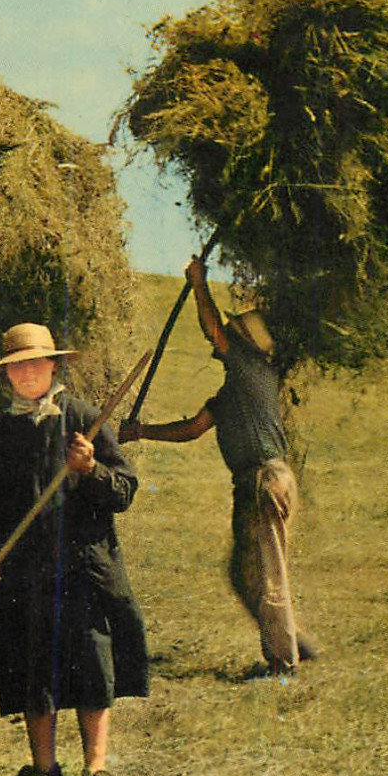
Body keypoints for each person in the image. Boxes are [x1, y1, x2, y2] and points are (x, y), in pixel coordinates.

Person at [0, 323, 147, 776]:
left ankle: (96, 767)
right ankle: (43, 768)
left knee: (91, 663)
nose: (26, 373)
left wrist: (90, 469)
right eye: (16, 366)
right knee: (31, 670)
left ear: (53, 365)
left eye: (34, 363)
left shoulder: (84, 419)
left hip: (84, 567)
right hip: (22, 574)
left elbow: (124, 490)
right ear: (6, 375)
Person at [118, 258, 319, 676]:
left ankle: (284, 666)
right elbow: (192, 429)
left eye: (232, 332)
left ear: (244, 341)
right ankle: (294, 642)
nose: (222, 336)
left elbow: (211, 327)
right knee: (243, 573)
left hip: (265, 479)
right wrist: (140, 432)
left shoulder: (252, 367)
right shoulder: (233, 391)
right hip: (254, 484)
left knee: (267, 573)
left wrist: (198, 284)